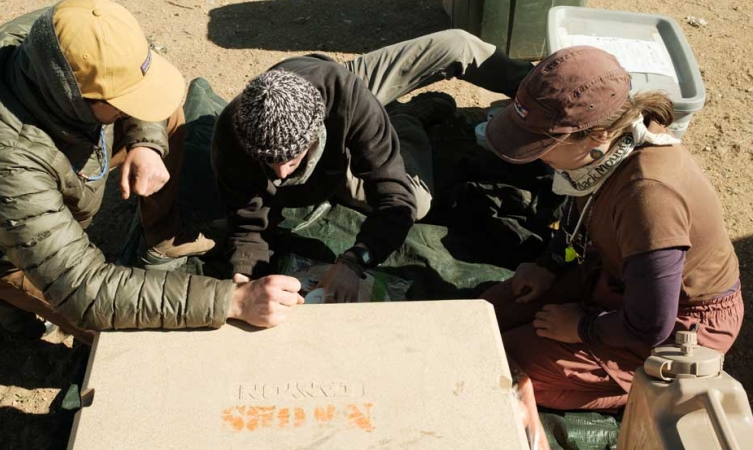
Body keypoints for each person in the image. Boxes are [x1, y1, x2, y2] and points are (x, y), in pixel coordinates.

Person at [0, 0, 303, 344]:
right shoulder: (2, 160)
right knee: (113, 333)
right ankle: (13, 316)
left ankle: (163, 239)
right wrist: (233, 300)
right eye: (122, 103)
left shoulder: (70, 32)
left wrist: (147, 143)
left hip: (24, 173)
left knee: (164, 111)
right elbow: (84, 290)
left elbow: (129, 82)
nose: (133, 107)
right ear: (74, 97)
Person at [482, 46, 743, 410]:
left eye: (542, 144)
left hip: (679, 322)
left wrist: (582, 327)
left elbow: (652, 324)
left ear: (597, 135)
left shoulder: (649, 198)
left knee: (502, 371)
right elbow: (580, 219)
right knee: (483, 317)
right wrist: (549, 265)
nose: (537, 155)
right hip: (615, 275)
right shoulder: (600, 158)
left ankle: (643, 391)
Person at [211, 29, 533, 302]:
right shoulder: (233, 136)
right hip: (335, 153)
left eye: (292, 161)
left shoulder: (344, 94)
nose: (281, 174)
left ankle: (535, 99)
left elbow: (394, 200)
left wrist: (355, 260)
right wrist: (245, 282)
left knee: (457, 44)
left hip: (345, 97)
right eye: (270, 163)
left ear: (317, 133)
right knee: (419, 202)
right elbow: (250, 226)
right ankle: (403, 121)